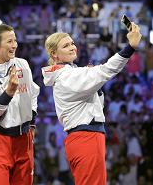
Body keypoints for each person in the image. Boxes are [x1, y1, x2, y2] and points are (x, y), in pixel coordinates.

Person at [41, 22, 142, 185]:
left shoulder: (67, 74)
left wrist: (96, 85)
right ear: (54, 54)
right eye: (66, 46)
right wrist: (130, 47)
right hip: (86, 137)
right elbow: (106, 70)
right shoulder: (68, 76)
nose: (72, 47)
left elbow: (97, 103)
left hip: (84, 137)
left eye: (72, 43)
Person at [0, 23, 40, 185]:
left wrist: (31, 119)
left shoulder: (22, 64)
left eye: (15, 40)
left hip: (24, 139)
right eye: (9, 41)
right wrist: (8, 94)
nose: (15, 45)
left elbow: (33, 93)